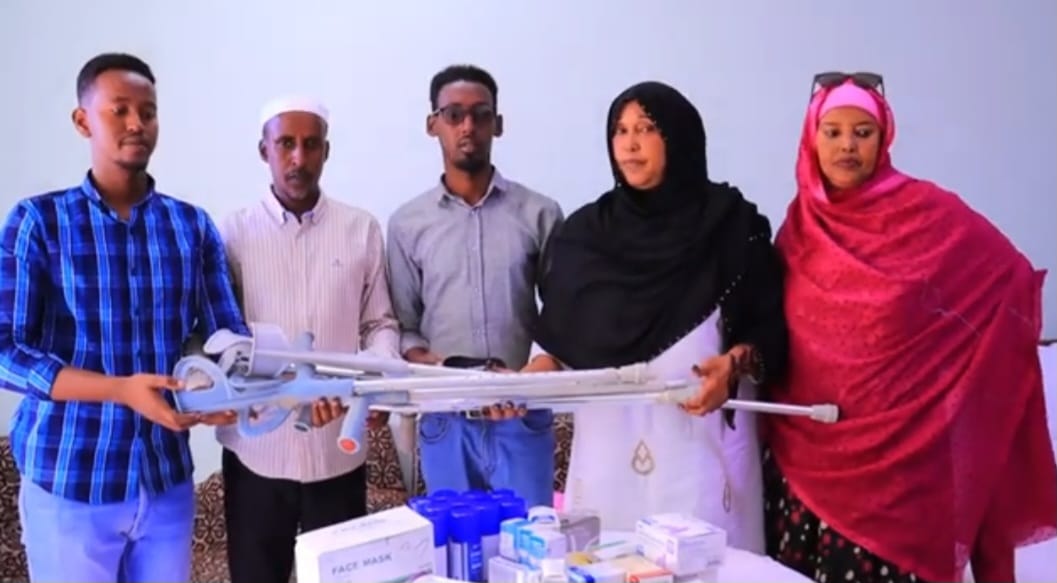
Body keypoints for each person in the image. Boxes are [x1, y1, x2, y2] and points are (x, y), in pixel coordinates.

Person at [763, 73, 1057, 583]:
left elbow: (1007, 276)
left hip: (904, 458)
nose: (847, 146)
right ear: (811, 139)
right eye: (832, 132)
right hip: (810, 455)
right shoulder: (799, 230)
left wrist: (959, 371)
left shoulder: (925, 212)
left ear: (884, 139)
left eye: (863, 132)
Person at [0, 52, 245, 583]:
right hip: (70, 480)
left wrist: (225, 390)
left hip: (166, 480)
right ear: (82, 120)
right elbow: (5, 353)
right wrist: (119, 390)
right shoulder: (38, 222)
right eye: (120, 110)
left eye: (148, 112)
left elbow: (226, 337)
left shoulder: (191, 226)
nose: (137, 123)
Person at [526, 81, 789, 548]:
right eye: (620, 130)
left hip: (699, 446)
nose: (630, 144)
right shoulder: (585, 235)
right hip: (609, 447)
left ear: (679, 138)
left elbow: (766, 328)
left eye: (646, 129)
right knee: (609, 560)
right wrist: (526, 381)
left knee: (703, 564)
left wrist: (733, 366)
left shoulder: (731, 226)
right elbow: (558, 341)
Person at [216, 96, 401, 583]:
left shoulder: (361, 229)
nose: (299, 157)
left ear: (326, 151)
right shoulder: (232, 233)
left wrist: (372, 384)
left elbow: (380, 324)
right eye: (286, 144)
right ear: (265, 150)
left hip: (337, 452)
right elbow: (219, 336)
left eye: (311, 144)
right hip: (257, 454)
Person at [387, 64, 564, 507]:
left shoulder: (540, 214)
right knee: (454, 546)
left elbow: (563, 316)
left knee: (530, 544)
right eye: (454, 115)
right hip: (446, 420)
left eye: (480, 115)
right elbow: (404, 327)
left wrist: (527, 379)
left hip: (521, 416)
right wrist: (438, 366)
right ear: (433, 124)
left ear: (497, 124)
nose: (467, 126)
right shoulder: (407, 224)